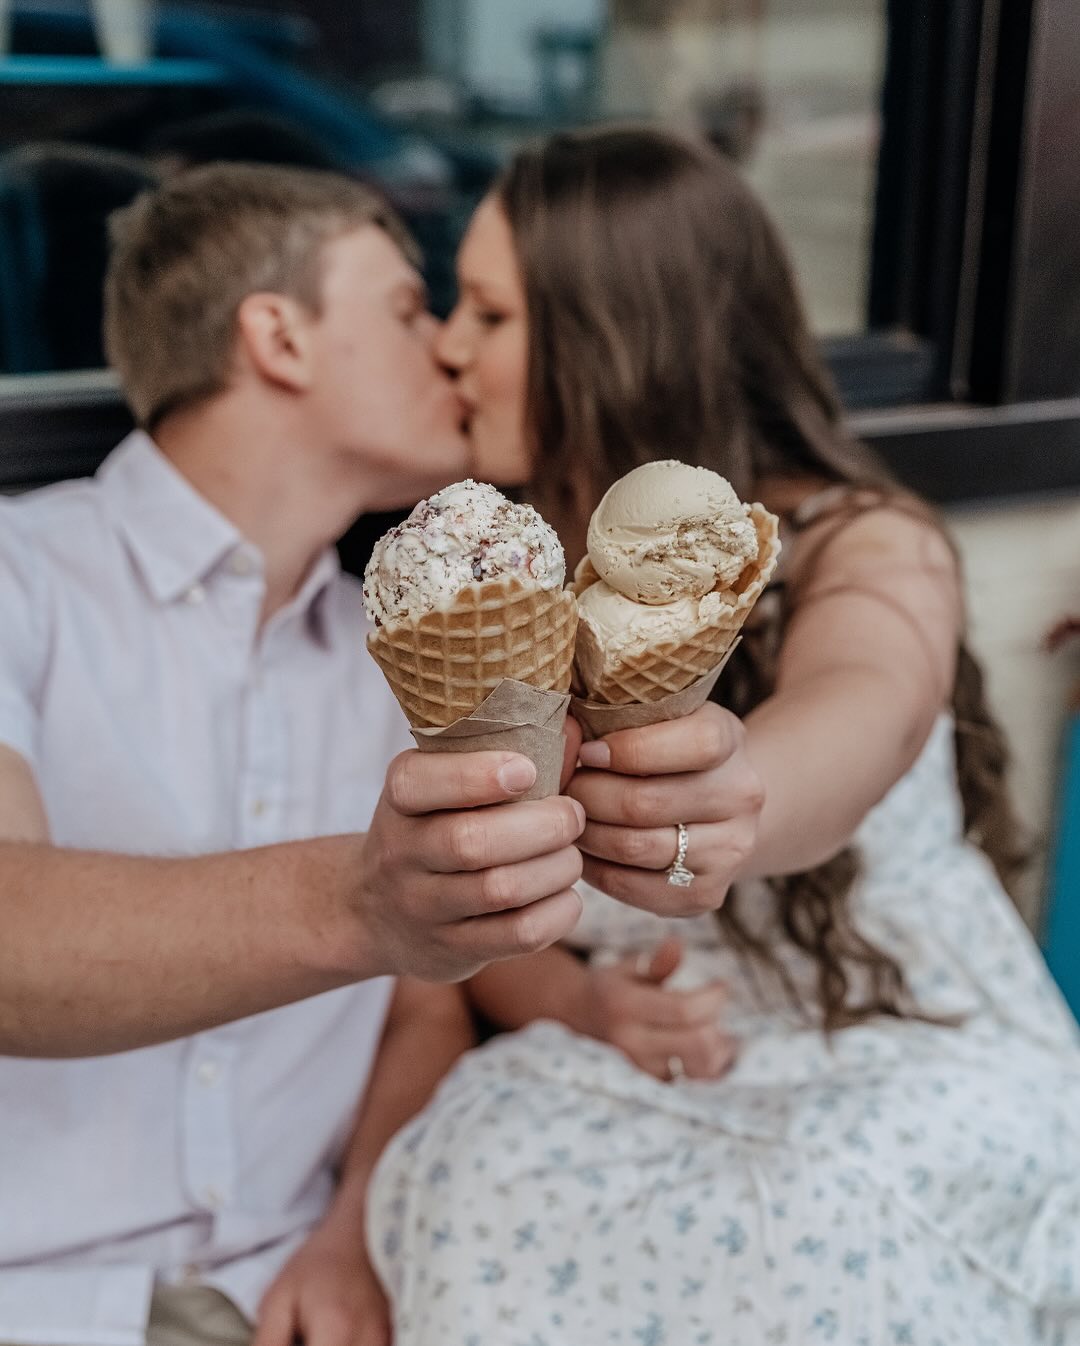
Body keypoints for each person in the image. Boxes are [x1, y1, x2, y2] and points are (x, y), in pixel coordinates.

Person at [360, 127, 1080, 1344]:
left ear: (615, 330)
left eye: (488, 313)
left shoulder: (865, 540)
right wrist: (582, 1006)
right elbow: (484, 926)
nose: (448, 345)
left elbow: (870, 702)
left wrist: (742, 782)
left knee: (811, 1233)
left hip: (882, 1043)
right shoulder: (497, 591)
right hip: (632, 1059)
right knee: (484, 1185)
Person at [0, 163, 599, 1346]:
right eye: (405, 308)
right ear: (277, 335)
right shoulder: (20, 576)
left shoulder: (398, 659)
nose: (447, 351)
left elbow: (414, 1014)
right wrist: (363, 902)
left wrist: (353, 1229)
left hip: (291, 1291)